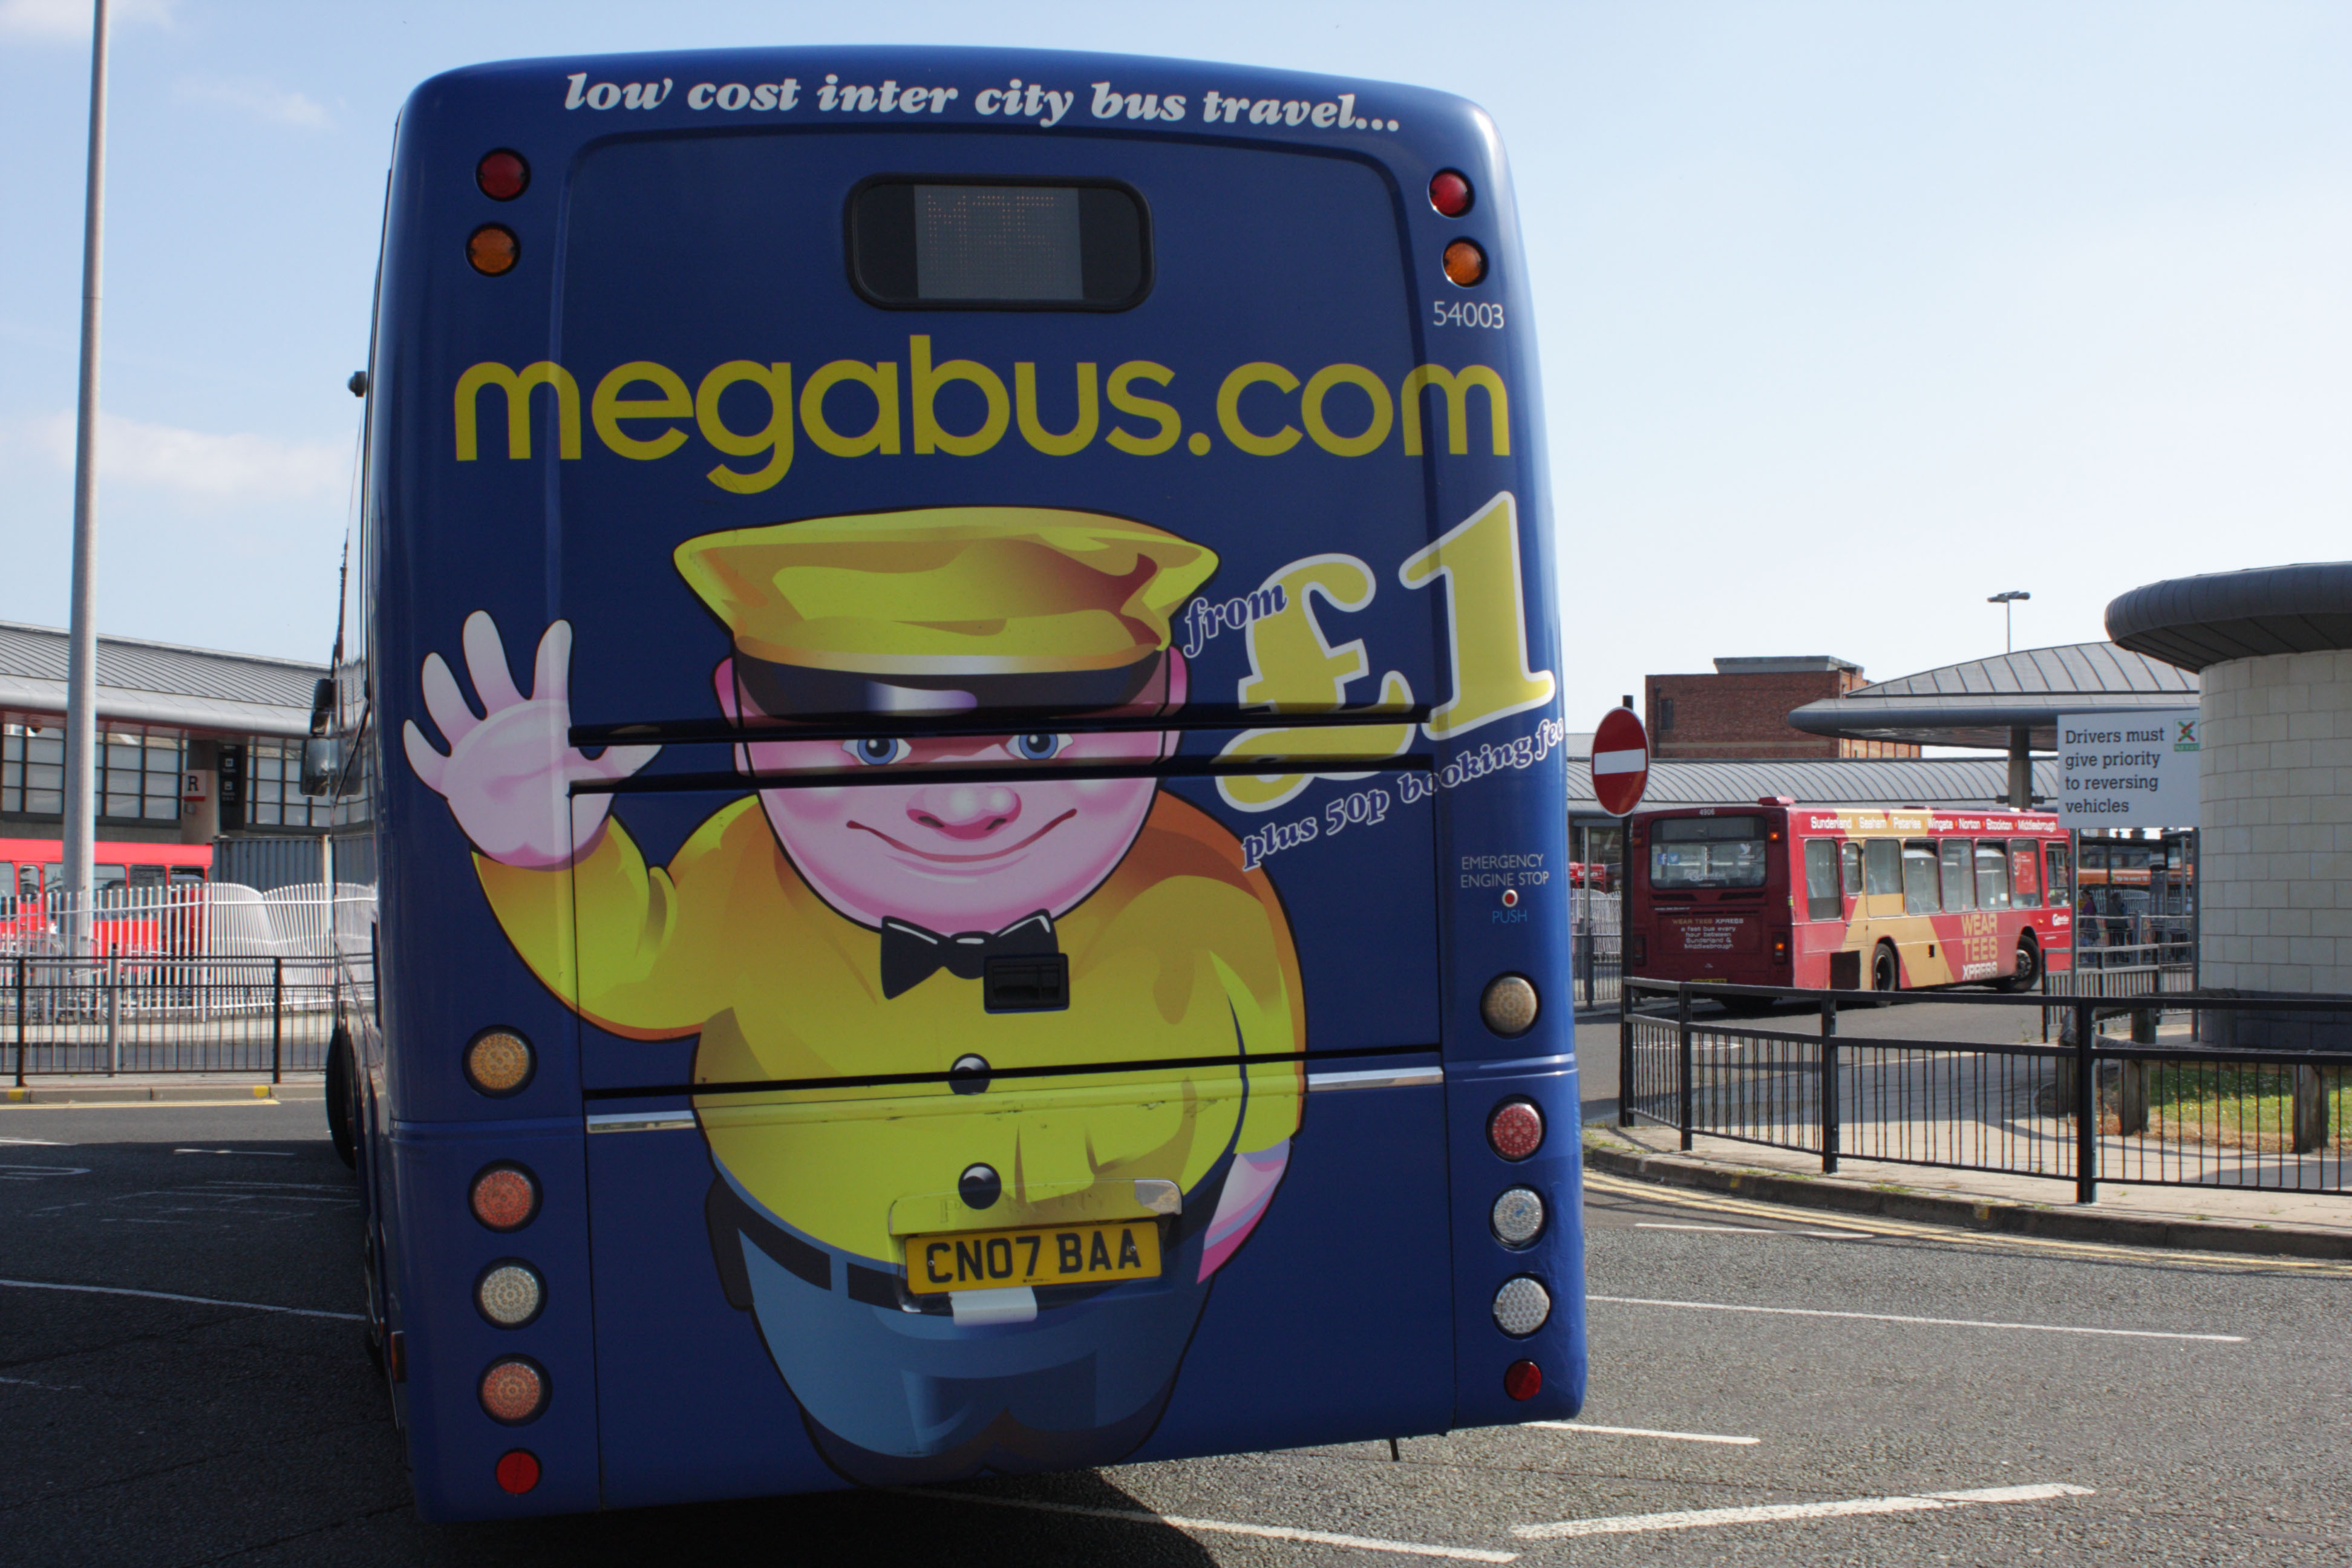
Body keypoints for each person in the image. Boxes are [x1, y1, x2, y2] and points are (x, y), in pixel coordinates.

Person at [404, 507, 1306, 1482]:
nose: (966, 804)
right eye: (873, 744)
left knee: (1103, 1425)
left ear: (1168, 700)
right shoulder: (741, 870)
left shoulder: (1209, 890)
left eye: (1044, 736)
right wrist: (551, 856)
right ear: (744, 719)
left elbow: (1265, 1121)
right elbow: (636, 968)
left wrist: (1196, 1258)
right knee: (868, 1448)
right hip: (839, 1305)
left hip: (1130, 1297)